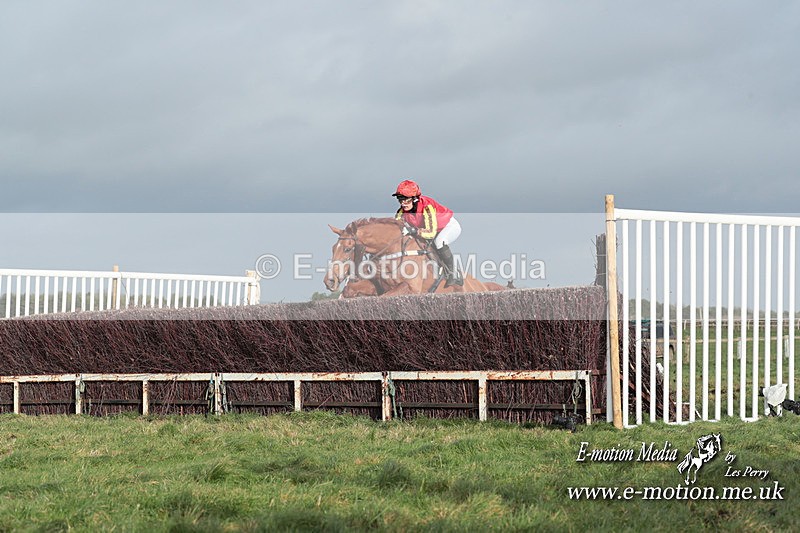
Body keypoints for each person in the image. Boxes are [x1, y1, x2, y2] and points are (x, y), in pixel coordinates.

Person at [392, 179, 463, 287]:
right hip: (429, 230)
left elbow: (430, 232)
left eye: (406, 200)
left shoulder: (427, 207)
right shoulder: (401, 212)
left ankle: (453, 273)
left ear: (414, 199)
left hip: (448, 226)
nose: (403, 203)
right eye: (400, 200)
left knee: (439, 242)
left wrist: (413, 231)